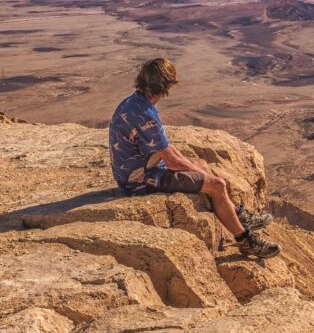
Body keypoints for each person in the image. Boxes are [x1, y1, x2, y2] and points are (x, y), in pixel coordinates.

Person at [109, 58, 280, 259]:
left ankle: (240, 216)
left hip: (141, 168)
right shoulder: (145, 114)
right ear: (167, 84)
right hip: (140, 180)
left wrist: (196, 168)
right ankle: (245, 239)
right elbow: (172, 161)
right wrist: (201, 176)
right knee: (217, 185)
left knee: (201, 164)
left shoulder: (134, 102)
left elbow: (165, 149)